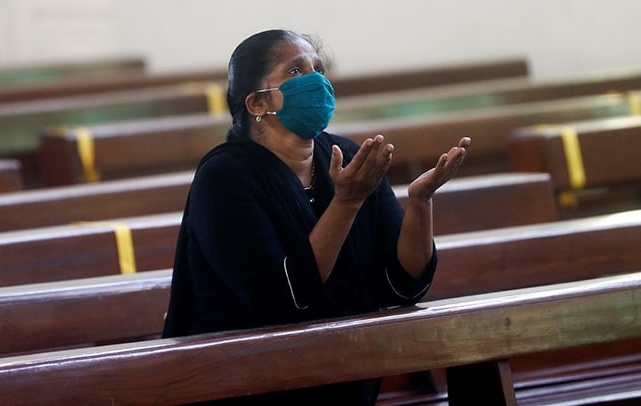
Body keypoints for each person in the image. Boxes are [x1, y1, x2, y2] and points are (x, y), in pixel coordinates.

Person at [162, 29, 470, 404]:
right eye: (295, 72)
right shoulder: (224, 177)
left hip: (342, 378)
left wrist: (421, 204)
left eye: (318, 69)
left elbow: (401, 286)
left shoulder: (347, 156)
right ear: (258, 103)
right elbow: (282, 302)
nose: (317, 81)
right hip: (246, 385)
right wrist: (346, 203)